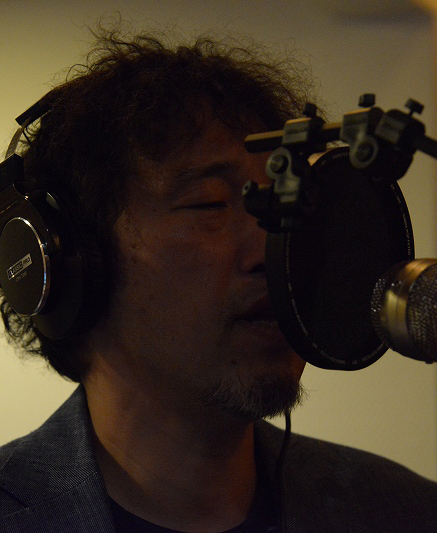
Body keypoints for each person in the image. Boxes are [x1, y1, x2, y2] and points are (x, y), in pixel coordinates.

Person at [0, 28, 436, 533]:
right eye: (209, 204)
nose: (275, 251)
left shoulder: (405, 512)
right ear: (74, 268)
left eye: (286, 206)